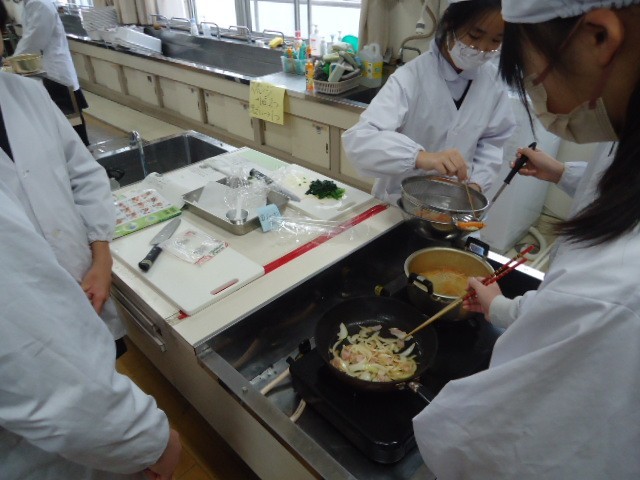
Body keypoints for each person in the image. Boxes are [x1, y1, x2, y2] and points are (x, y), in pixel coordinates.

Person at [413, 1, 640, 478]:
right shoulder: (624, 135)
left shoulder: (616, 288)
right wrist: (563, 173)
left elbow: (499, 443)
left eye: (532, 76)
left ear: (599, 37)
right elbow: (614, 183)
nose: (540, 101)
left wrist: (502, 309)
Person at [0, 183, 182, 479]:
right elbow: (54, 383)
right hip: (53, 452)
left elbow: (84, 177)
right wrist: (153, 444)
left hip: (78, 426)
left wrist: (102, 255)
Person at [0, 9, 127, 358]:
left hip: (85, 276)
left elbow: (85, 174)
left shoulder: (28, 95)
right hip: (18, 319)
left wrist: (102, 260)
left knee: (105, 362)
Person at [342, 0, 516, 203]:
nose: (482, 48)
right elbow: (360, 140)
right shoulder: (410, 77)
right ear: (450, 24)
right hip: (398, 204)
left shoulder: (493, 83)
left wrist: (476, 185)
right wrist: (419, 157)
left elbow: (492, 143)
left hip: (453, 205)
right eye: (474, 36)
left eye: (495, 41)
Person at [12, 0, 91, 145]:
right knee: (61, 122)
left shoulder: (39, 4)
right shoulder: (31, 4)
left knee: (71, 122)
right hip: (49, 72)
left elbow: (34, 40)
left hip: (55, 73)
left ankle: (82, 151)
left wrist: (13, 62)